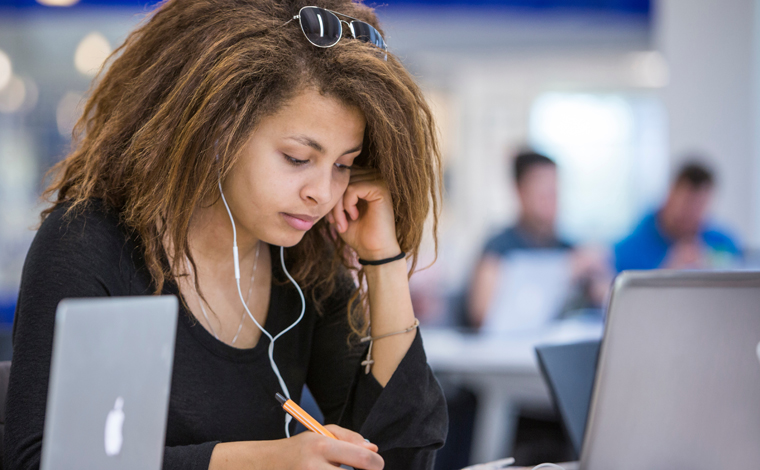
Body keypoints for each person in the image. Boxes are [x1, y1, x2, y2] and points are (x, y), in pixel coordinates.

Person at [4, 1, 447, 469]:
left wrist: (383, 260)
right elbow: (46, 462)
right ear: (217, 131)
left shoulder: (302, 264)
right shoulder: (90, 244)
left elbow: (401, 456)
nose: (322, 193)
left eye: (343, 165)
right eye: (298, 158)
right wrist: (267, 462)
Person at [468, 150, 607, 329]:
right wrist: (562, 271)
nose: (550, 200)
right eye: (541, 192)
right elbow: (482, 314)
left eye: (553, 192)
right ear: (519, 191)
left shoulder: (570, 250)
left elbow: (603, 300)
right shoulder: (498, 248)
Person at [614, 161, 740, 272]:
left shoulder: (723, 244)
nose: (693, 213)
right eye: (687, 203)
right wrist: (667, 273)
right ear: (670, 195)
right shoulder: (628, 250)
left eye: (700, 206)